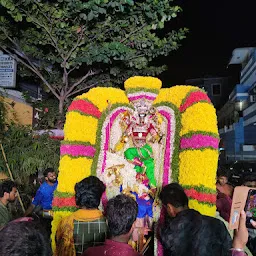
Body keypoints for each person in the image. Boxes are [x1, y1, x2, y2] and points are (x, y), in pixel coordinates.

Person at [159, 183, 232, 256]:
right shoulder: (218, 224)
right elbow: (231, 250)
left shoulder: (170, 233)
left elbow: (161, 234)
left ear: (170, 208)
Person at [55, 176, 107, 256]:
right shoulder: (109, 223)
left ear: (78, 197)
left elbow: (60, 248)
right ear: (98, 198)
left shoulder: (65, 223)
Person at [24, 167, 57, 235]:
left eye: (54, 175)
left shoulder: (58, 183)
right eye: (51, 176)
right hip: (47, 212)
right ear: (46, 178)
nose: (54, 177)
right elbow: (33, 204)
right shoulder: (42, 190)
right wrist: (24, 215)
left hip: (57, 209)